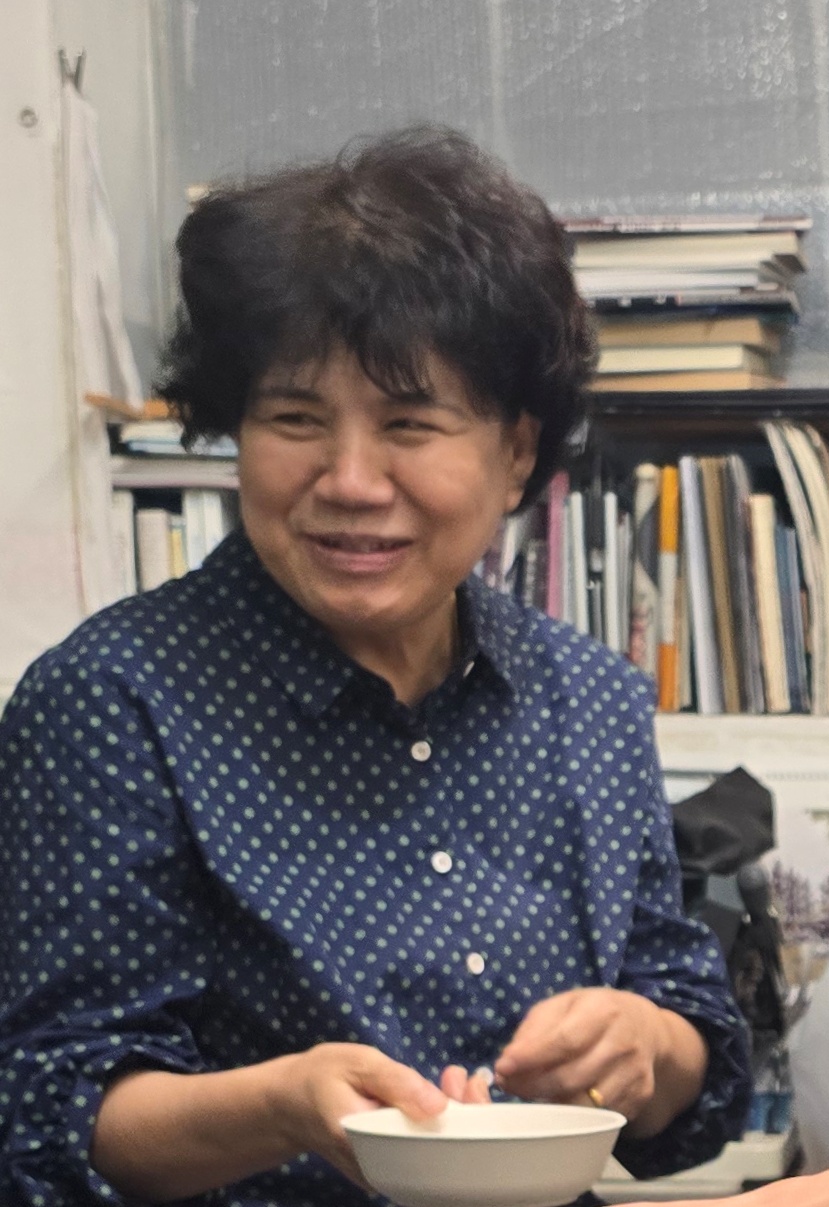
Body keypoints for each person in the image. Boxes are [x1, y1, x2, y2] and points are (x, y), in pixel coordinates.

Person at [0, 126, 754, 1205]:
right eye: (294, 417)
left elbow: (694, 1061)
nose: (350, 480)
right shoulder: (114, 702)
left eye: (410, 423)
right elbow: (48, 1117)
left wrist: (647, 1045)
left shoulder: (586, 696)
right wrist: (280, 1105)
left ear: (515, 454)